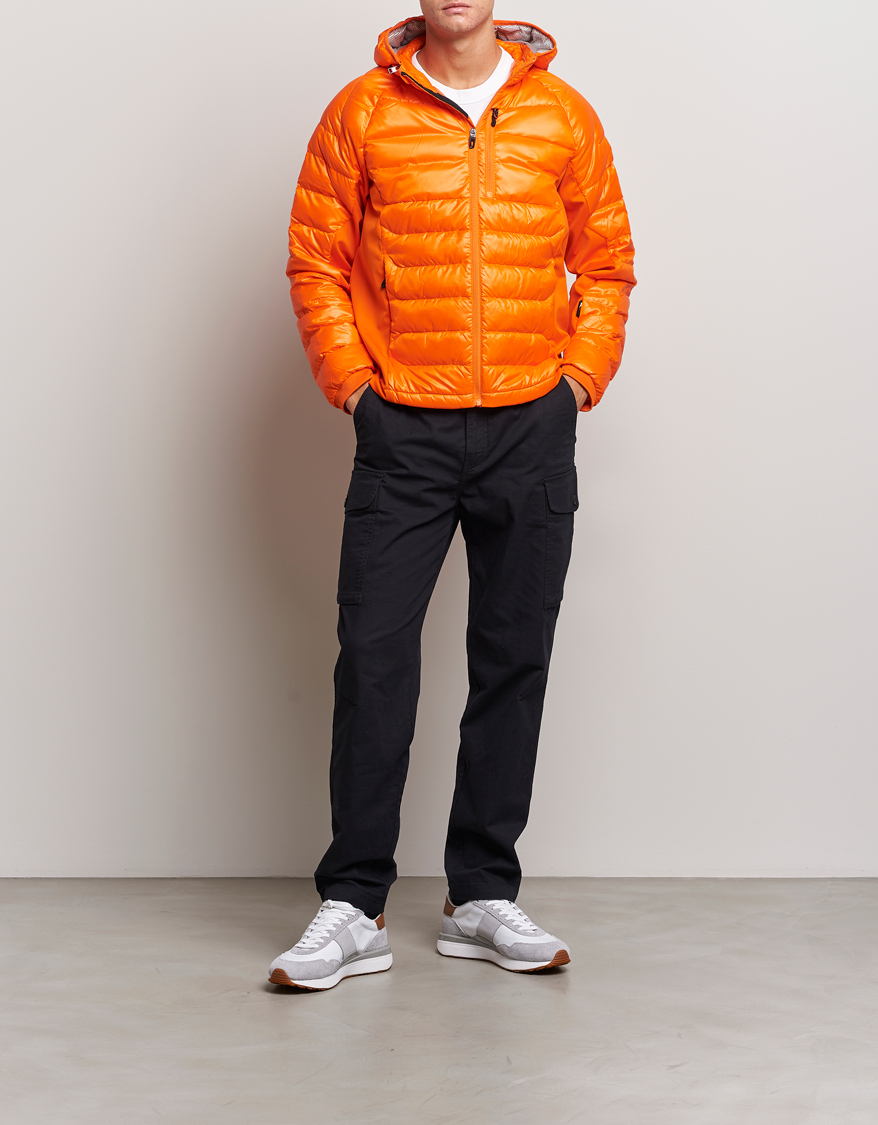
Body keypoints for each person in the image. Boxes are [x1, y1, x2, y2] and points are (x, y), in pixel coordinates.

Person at [268, 0, 635, 991]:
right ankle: (354, 905)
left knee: (513, 660)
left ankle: (482, 894)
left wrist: (575, 384)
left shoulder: (562, 114)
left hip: (529, 426)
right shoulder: (361, 111)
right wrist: (357, 389)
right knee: (375, 656)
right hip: (406, 429)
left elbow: (607, 264)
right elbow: (316, 261)